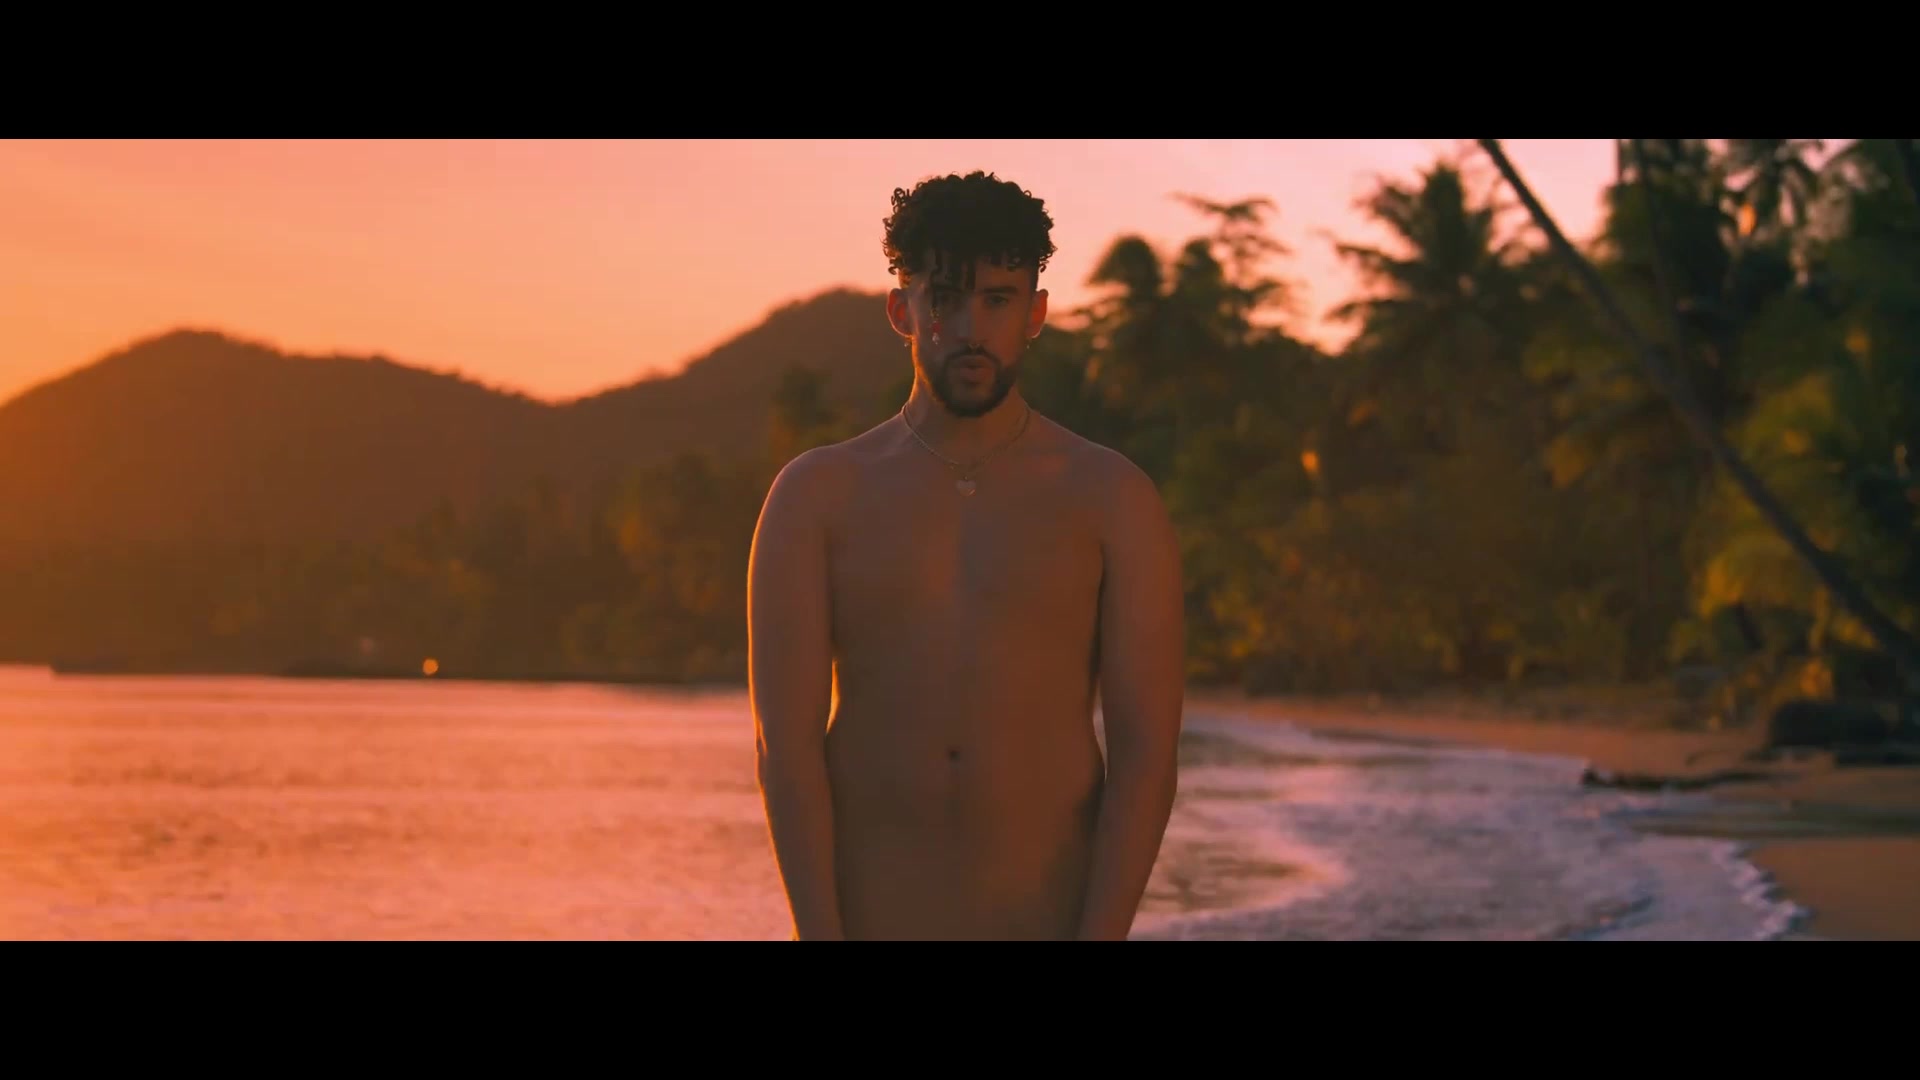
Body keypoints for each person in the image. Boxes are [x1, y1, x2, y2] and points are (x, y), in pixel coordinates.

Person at [747, 170, 1186, 940]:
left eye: (998, 299)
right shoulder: (817, 496)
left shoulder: (1111, 498)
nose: (971, 328)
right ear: (902, 310)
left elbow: (1146, 754)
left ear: (1035, 312)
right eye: (944, 299)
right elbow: (785, 750)